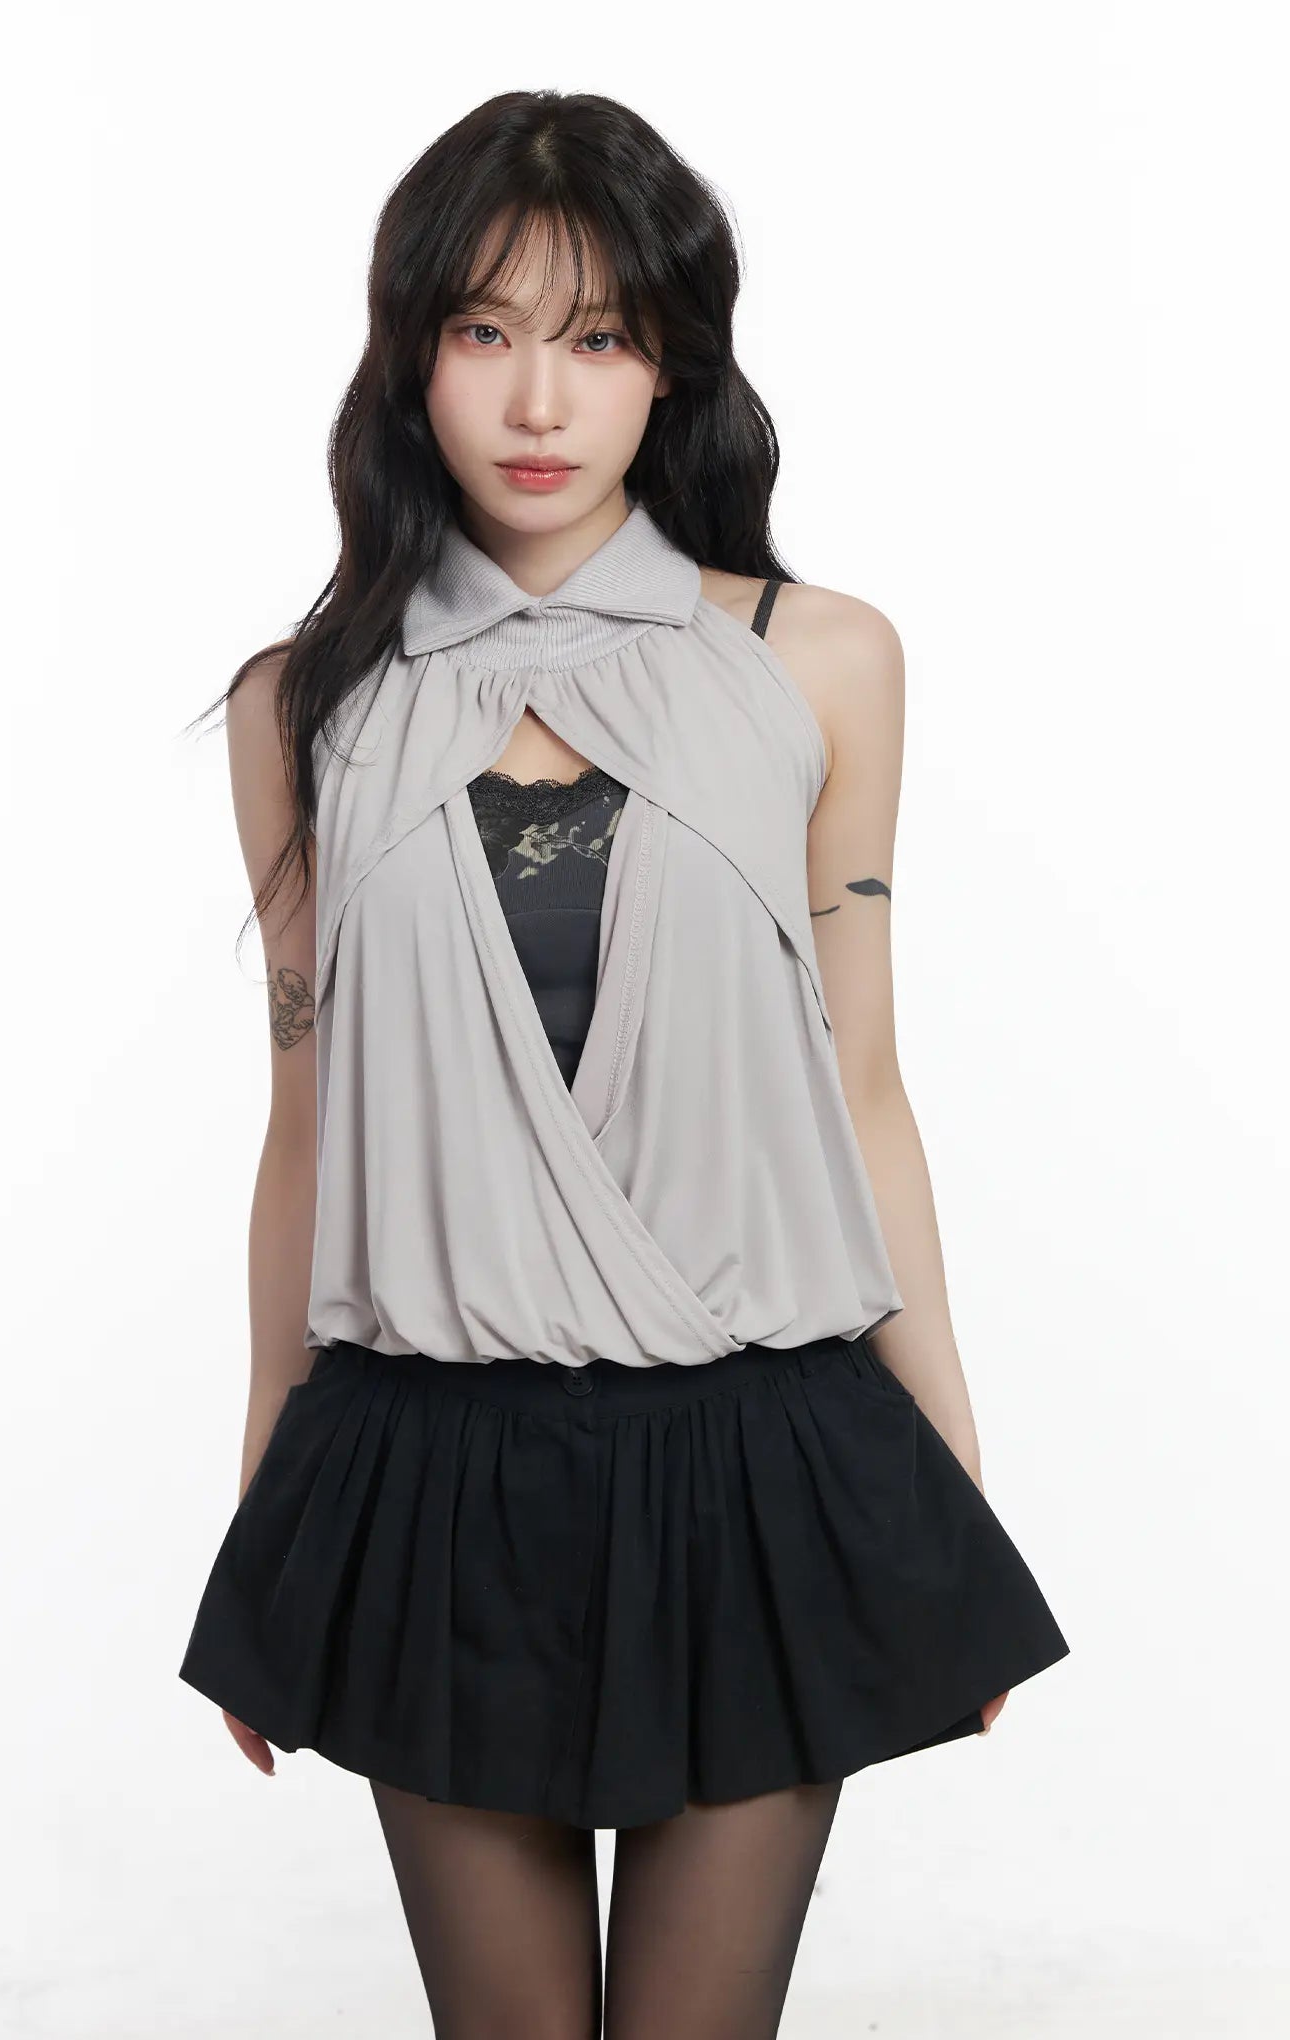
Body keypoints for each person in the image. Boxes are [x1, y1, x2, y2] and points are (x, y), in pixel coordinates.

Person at [178, 88, 1069, 2039]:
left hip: (758, 1454)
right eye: (483, 329)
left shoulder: (820, 659)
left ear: (670, 364)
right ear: (410, 354)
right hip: (428, 1458)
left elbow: (864, 1086)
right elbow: (303, 1123)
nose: (536, 399)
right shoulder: (303, 704)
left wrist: (950, 1485)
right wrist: (269, 1488)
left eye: (595, 337)